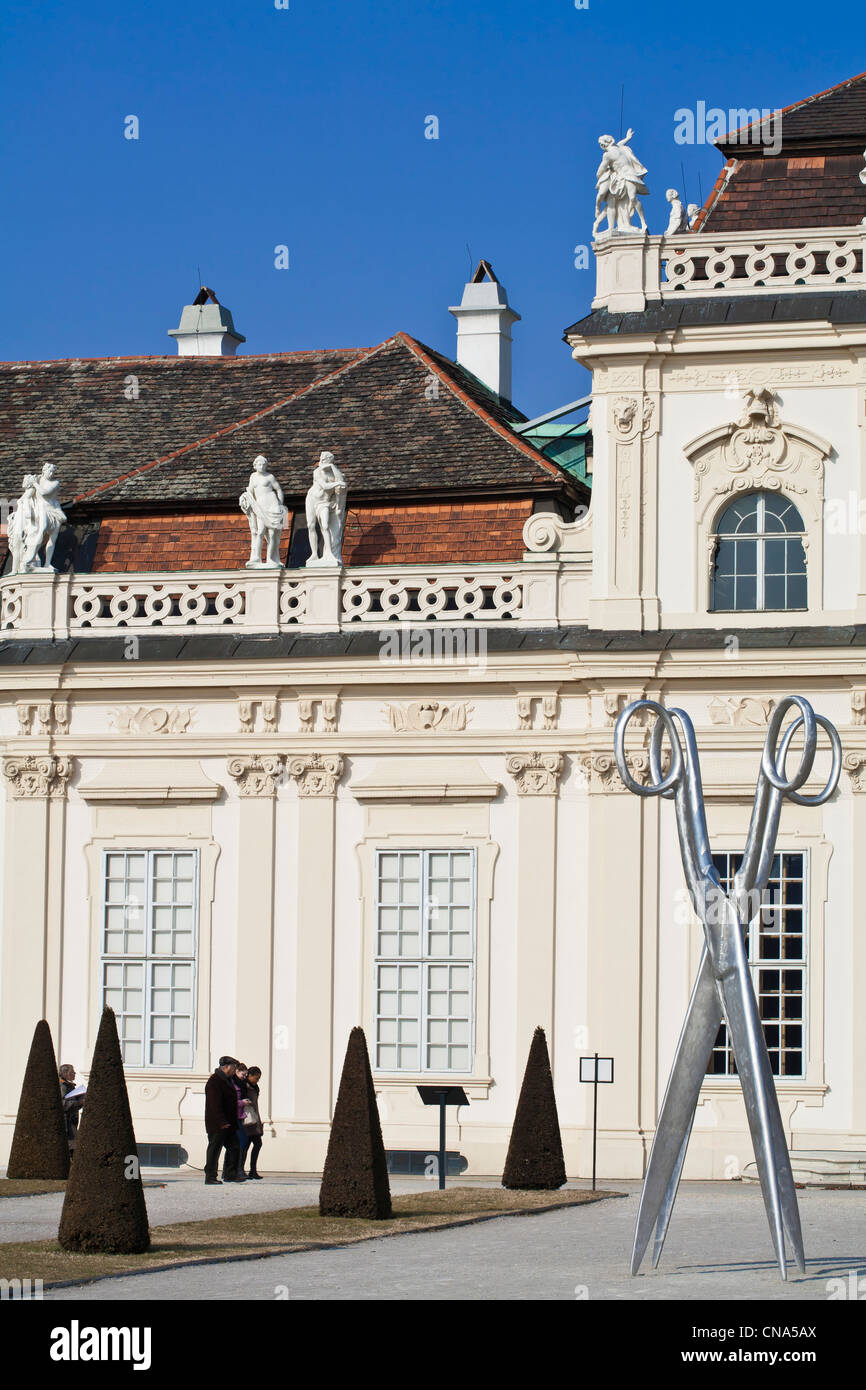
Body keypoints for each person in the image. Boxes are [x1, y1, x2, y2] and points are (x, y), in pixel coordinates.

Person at [204, 1056, 240, 1185]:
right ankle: (210, 1176)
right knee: (214, 1149)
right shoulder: (215, 1081)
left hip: (229, 1123)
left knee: (234, 1147)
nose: (235, 1069)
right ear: (227, 1067)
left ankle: (230, 1174)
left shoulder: (228, 1080)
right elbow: (214, 1104)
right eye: (234, 1067)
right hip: (218, 1123)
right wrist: (221, 1121)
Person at [222, 1062, 249, 1182]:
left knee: (235, 1145)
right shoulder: (232, 1083)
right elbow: (230, 1101)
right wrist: (243, 1102)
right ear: (237, 1071)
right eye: (243, 1074)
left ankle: (231, 1171)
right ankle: (235, 1170)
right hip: (233, 1117)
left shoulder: (241, 1084)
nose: (245, 1077)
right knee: (238, 1143)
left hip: (239, 1116)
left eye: (246, 1074)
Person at [240, 1067, 264, 1179]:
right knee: (245, 1145)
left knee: (257, 1143)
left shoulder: (255, 1087)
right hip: (247, 1119)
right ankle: (241, 1169)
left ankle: (252, 1170)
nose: (257, 1080)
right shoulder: (244, 1086)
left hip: (254, 1119)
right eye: (256, 1078)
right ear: (249, 1075)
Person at [59, 1063, 84, 1155]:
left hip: (71, 1123)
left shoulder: (69, 1085)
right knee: (71, 1151)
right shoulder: (62, 1086)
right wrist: (79, 1102)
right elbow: (62, 1104)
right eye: (72, 1072)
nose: (74, 1073)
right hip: (67, 1125)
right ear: (65, 1073)